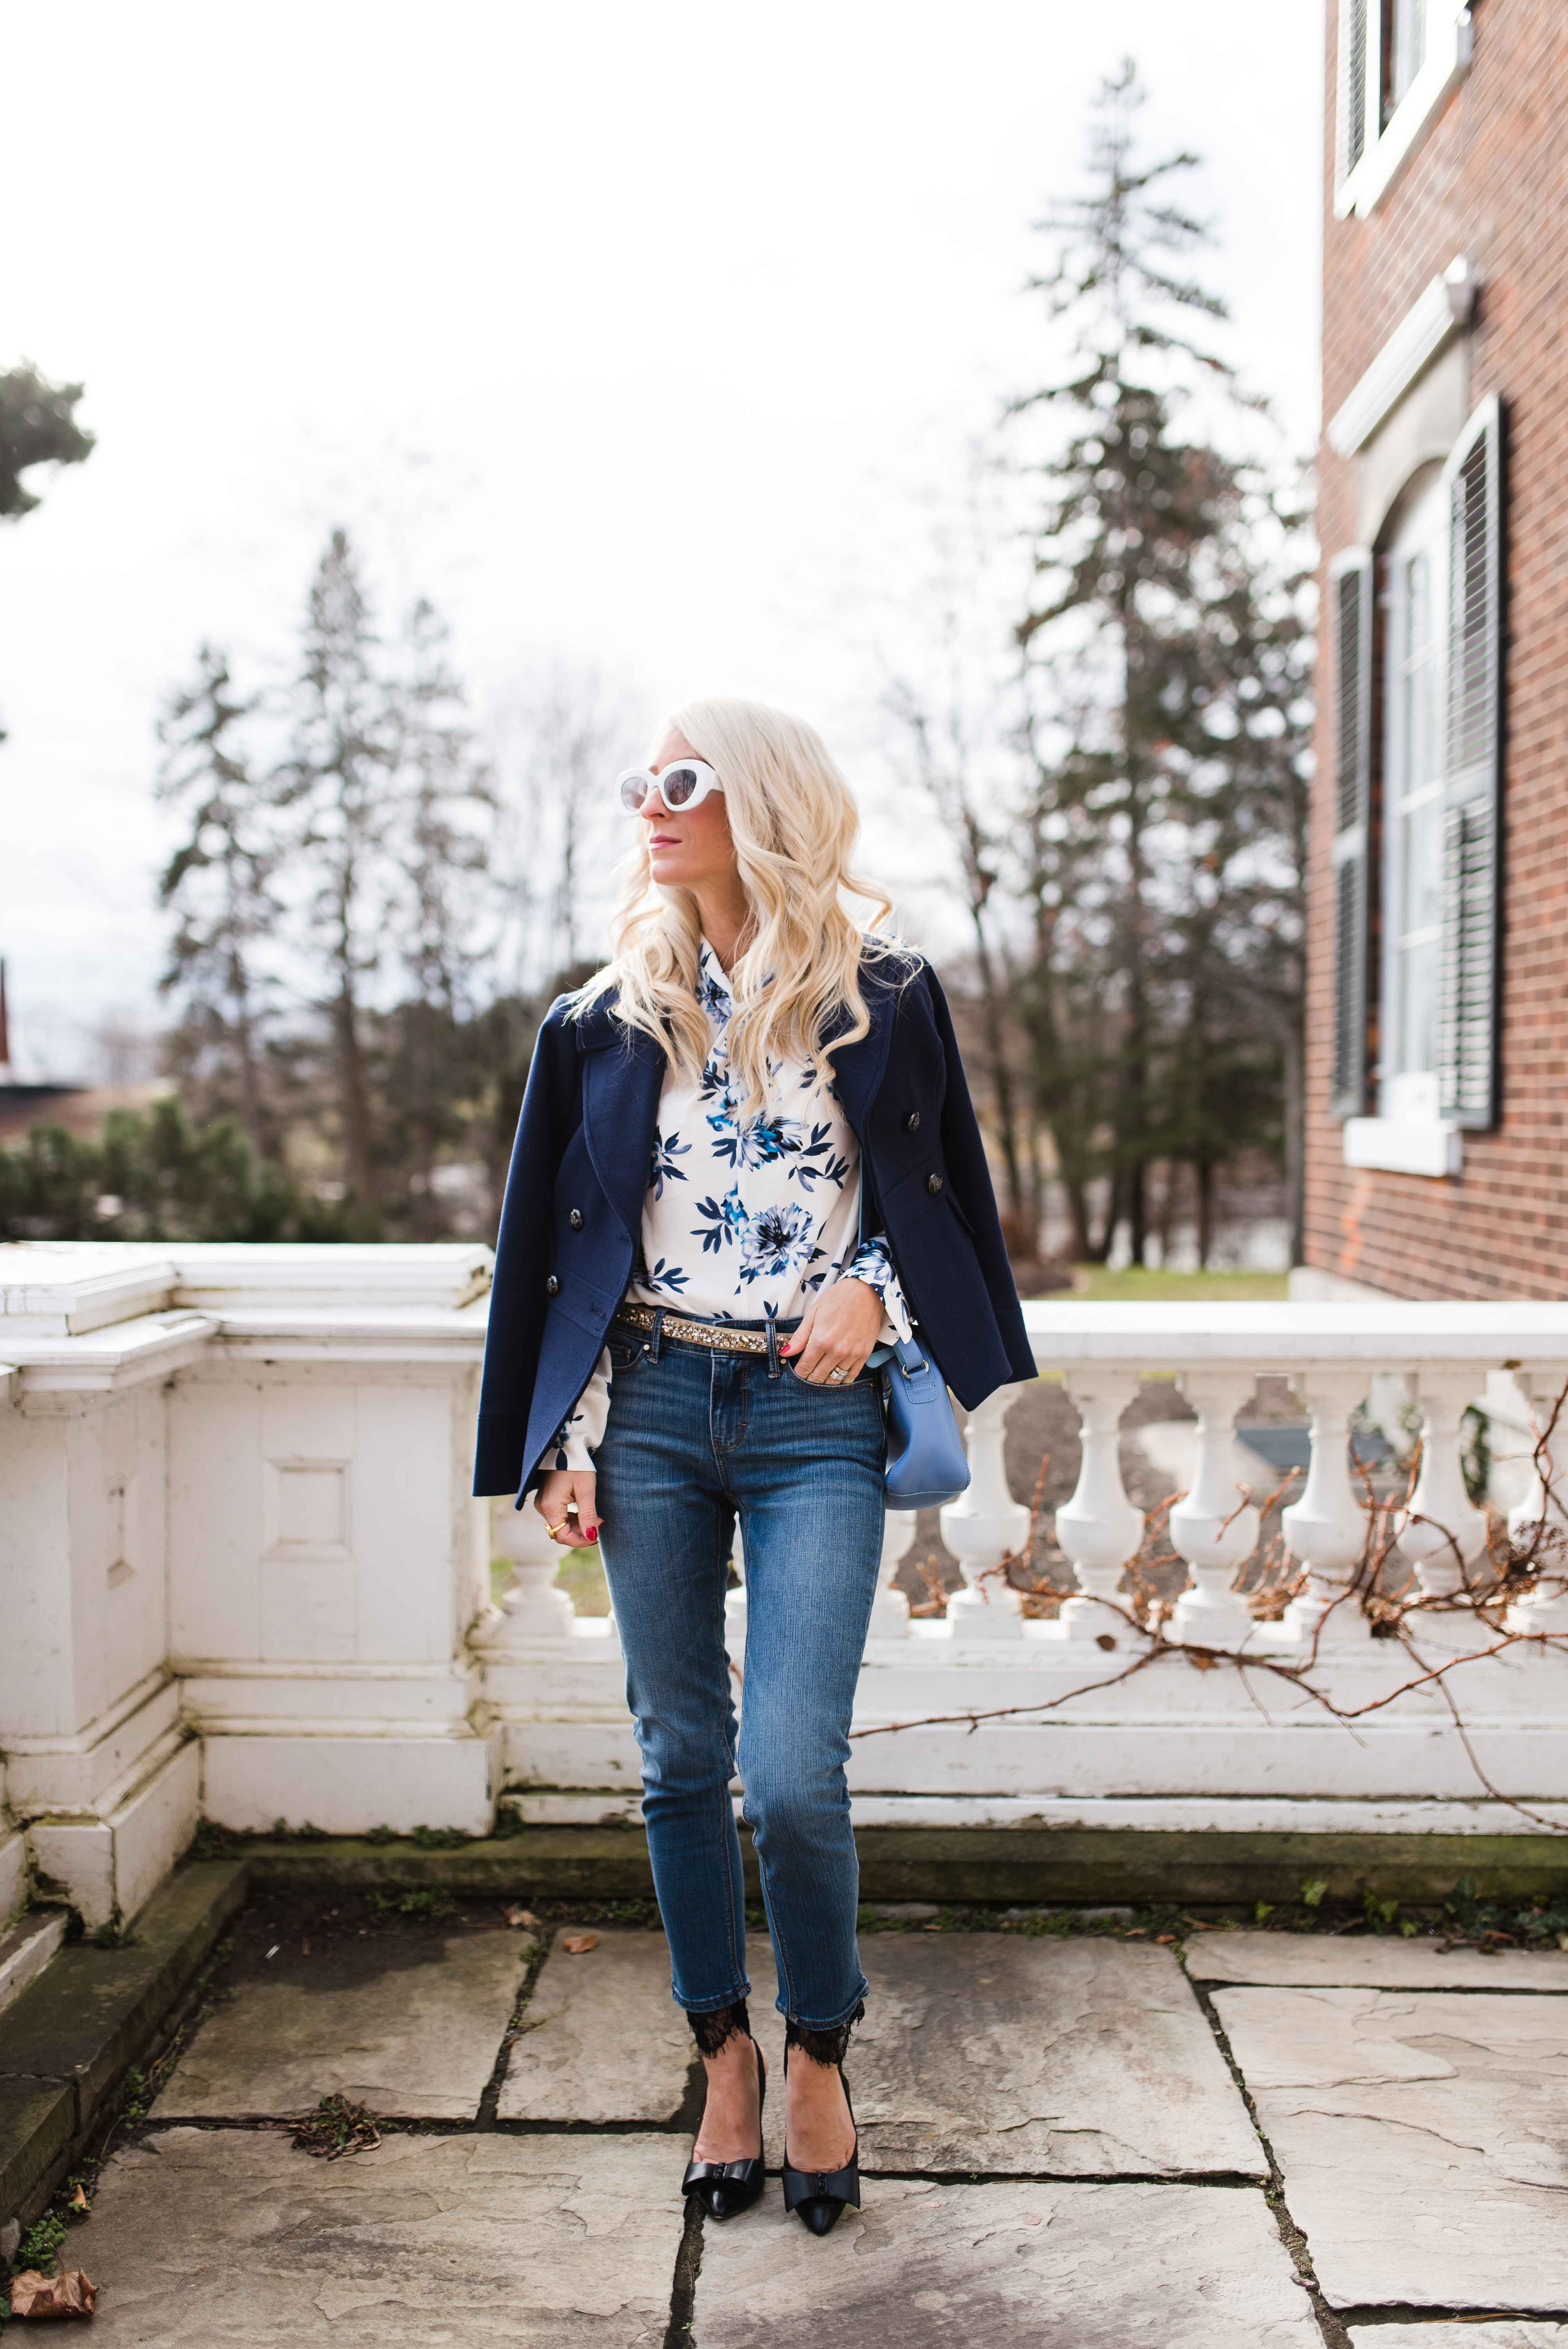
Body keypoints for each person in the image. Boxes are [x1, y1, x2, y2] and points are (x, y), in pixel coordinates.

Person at [474, 697, 1033, 2234]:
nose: (649, 801)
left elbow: (941, 1202)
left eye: (683, 778)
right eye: (642, 780)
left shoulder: (884, 1002)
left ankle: (820, 2054)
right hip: (649, 1403)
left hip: (812, 1418)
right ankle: (719, 2051)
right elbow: (557, 1258)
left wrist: (879, 1287)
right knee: (674, 1758)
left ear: (761, 801)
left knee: (790, 1776)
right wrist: (560, 1443)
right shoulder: (595, 1024)